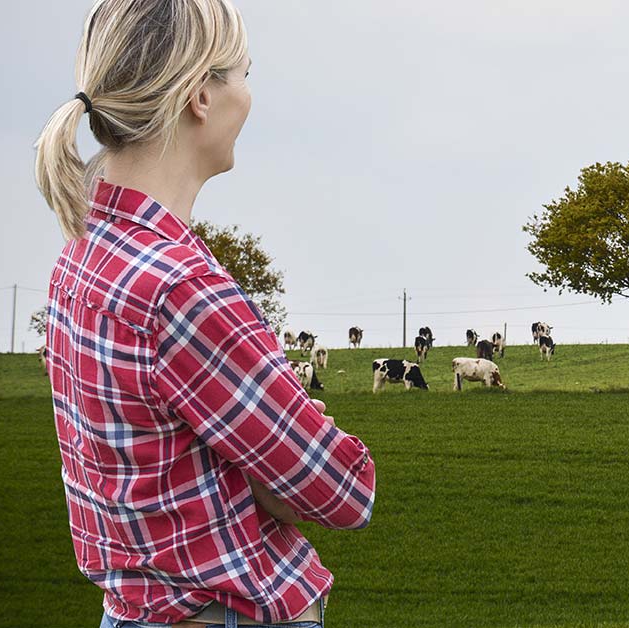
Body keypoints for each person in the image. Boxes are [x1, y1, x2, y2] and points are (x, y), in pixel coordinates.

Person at [34, 2, 376, 627]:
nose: (248, 95)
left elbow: (154, 473)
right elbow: (344, 491)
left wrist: (263, 455)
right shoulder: (183, 290)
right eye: (244, 74)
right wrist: (286, 442)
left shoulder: (81, 257)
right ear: (200, 96)